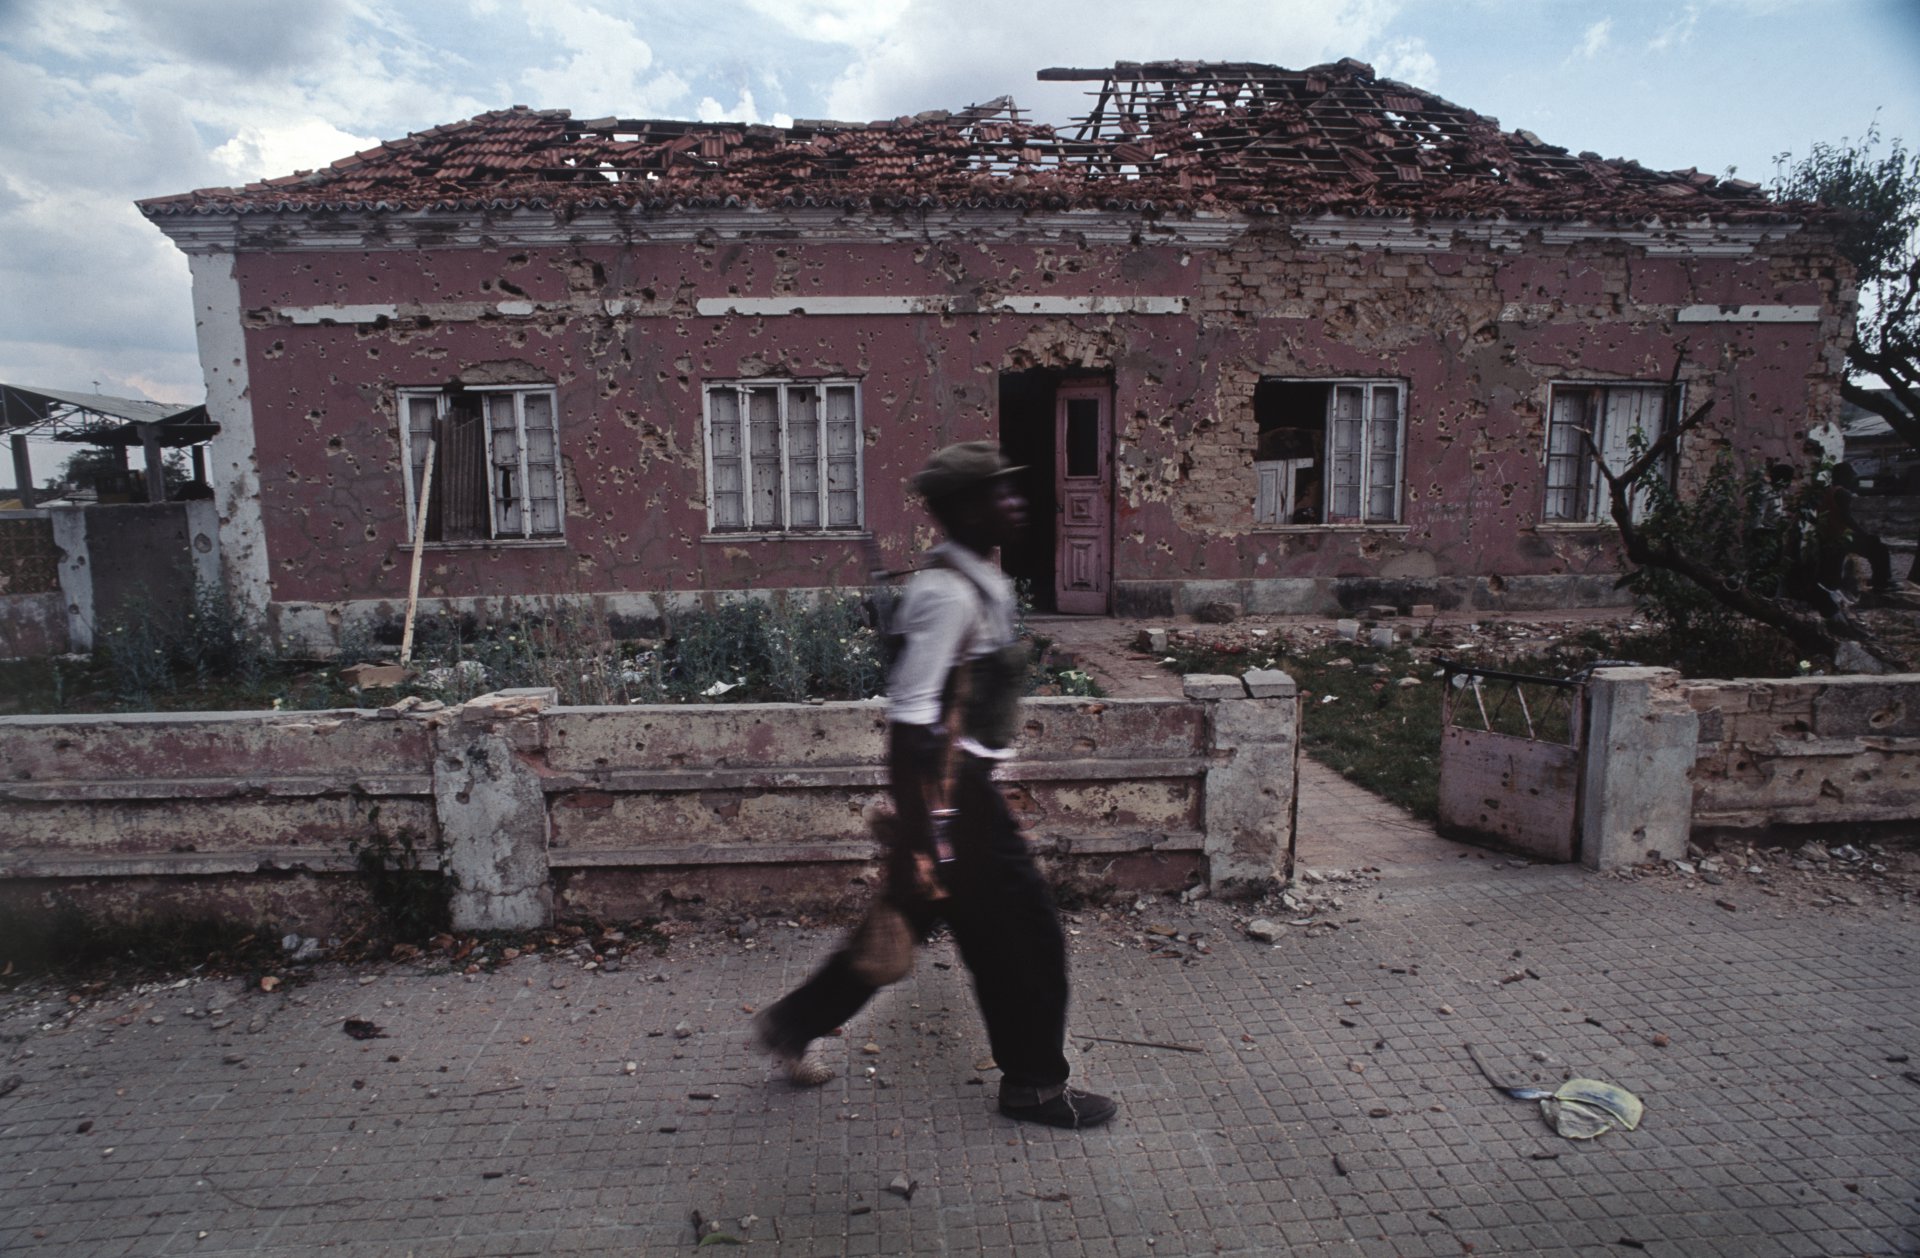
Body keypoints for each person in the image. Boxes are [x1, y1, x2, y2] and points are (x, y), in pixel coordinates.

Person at [755, 441, 1117, 1130]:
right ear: (961, 509)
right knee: (1029, 940)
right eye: (997, 493)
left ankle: (792, 1023)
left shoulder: (982, 579)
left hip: (964, 793)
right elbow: (909, 728)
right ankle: (1035, 1087)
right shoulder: (945, 595)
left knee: (907, 927)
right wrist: (932, 839)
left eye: (1014, 489)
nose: (1016, 502)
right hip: (954, 804)